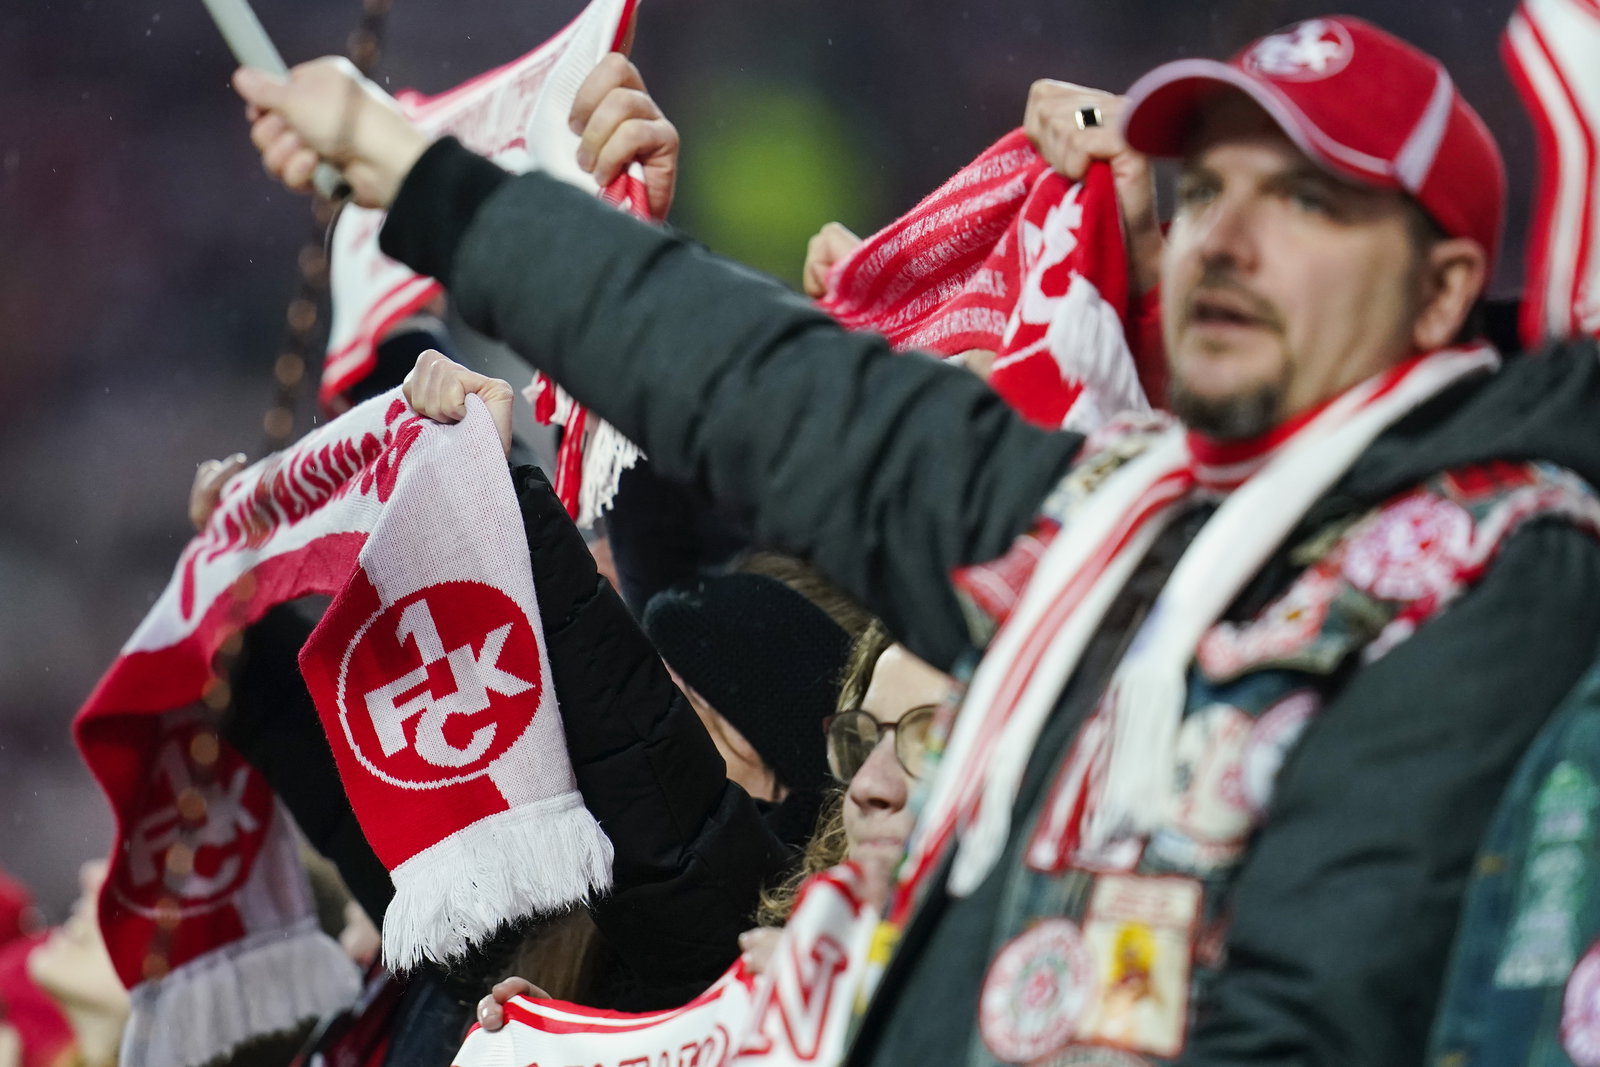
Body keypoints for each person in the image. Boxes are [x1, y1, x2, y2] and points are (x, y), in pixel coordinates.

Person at [232, 14, 1600, 1063]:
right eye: (1207, 195)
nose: (1226, 240)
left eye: (1308, 200)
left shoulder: (1503, 570)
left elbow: (1321, 999)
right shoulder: (1105, 522)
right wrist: (430, 183)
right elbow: (771, 386)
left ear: (1444, 289)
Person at [474, 618, 952, 1029]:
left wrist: (849, 1020)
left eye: (931, 743)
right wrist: (580, 1047)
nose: (869, 783)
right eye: (862, 741)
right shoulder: (773, 940)